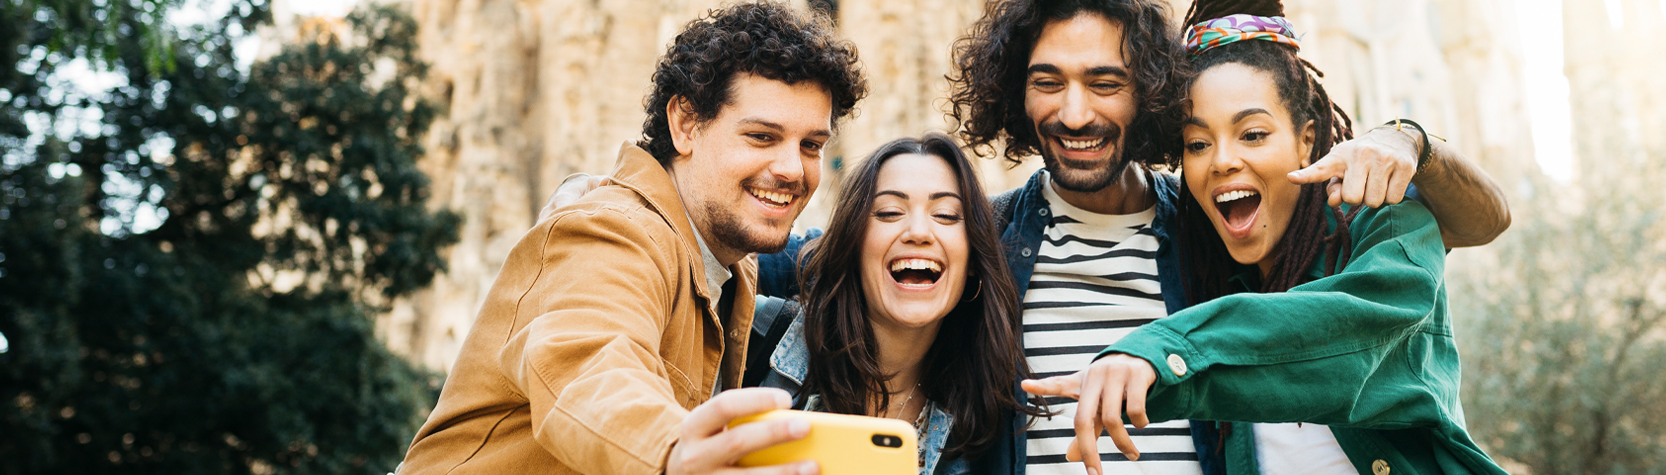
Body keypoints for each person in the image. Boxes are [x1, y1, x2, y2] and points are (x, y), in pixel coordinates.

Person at [539, 1, 1512, 474]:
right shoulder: (984, 237)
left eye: (1104, 81)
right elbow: (814, 256)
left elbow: (1413, 253)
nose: (1075, 108)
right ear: (1014, 96)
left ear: (1144, 96)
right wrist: (640, 193)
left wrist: (1410, 139)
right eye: (1047, 81)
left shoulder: (1215, 225)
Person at [1021, 3, 1509, 475]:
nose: (1222, 160)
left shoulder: (1381, 224)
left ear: (1305, 139)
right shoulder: (1202, 256)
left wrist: (1160, 352)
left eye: (1252, 134)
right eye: (1197, 143)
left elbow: (1347, 335)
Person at [396, 2, 867, 474]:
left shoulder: (726, 255)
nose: (791, 169)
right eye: (762, 137)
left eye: (811, 146)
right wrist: (669, 451)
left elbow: (820, 255)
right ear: (685, 124)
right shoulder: (610, 232)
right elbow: (587, 358)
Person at [740, 134, 1047, 475]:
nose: (918, 231)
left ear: (973, 259)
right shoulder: (750, 343)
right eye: (889, 212)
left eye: (945, 215)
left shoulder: (983, 425)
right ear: (851, 245)